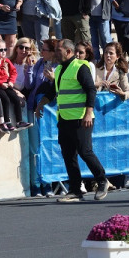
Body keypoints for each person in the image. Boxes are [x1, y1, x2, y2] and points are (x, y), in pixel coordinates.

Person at [34, 39, 110, 202]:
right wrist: (41, 104)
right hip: (64, 119)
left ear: (69, 52)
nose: (55, 53)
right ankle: (75, 189)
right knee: (68, 154)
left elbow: (91, 90)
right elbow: (53, 92)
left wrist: (88, 113)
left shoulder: (80, 67)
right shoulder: (60, 69)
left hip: (81, 118)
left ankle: (102, 180)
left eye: (58, 50)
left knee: (85, 151)